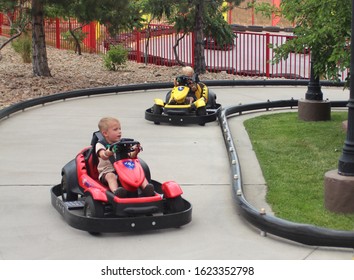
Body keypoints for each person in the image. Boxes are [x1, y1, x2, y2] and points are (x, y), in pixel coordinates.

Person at [95, 117, 155, 198]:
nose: (119, 131)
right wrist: (110, 152)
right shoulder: (100, 144)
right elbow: (103, 155)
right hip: (107, 171)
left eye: (120, 129)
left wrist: (136, 151)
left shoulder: (122, 143)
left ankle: (147, 188)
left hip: (123, 170)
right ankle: (116, 191)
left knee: (138, 172)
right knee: (111, 176)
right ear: (105, 133)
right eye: (115, 129)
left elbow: (130, 156)